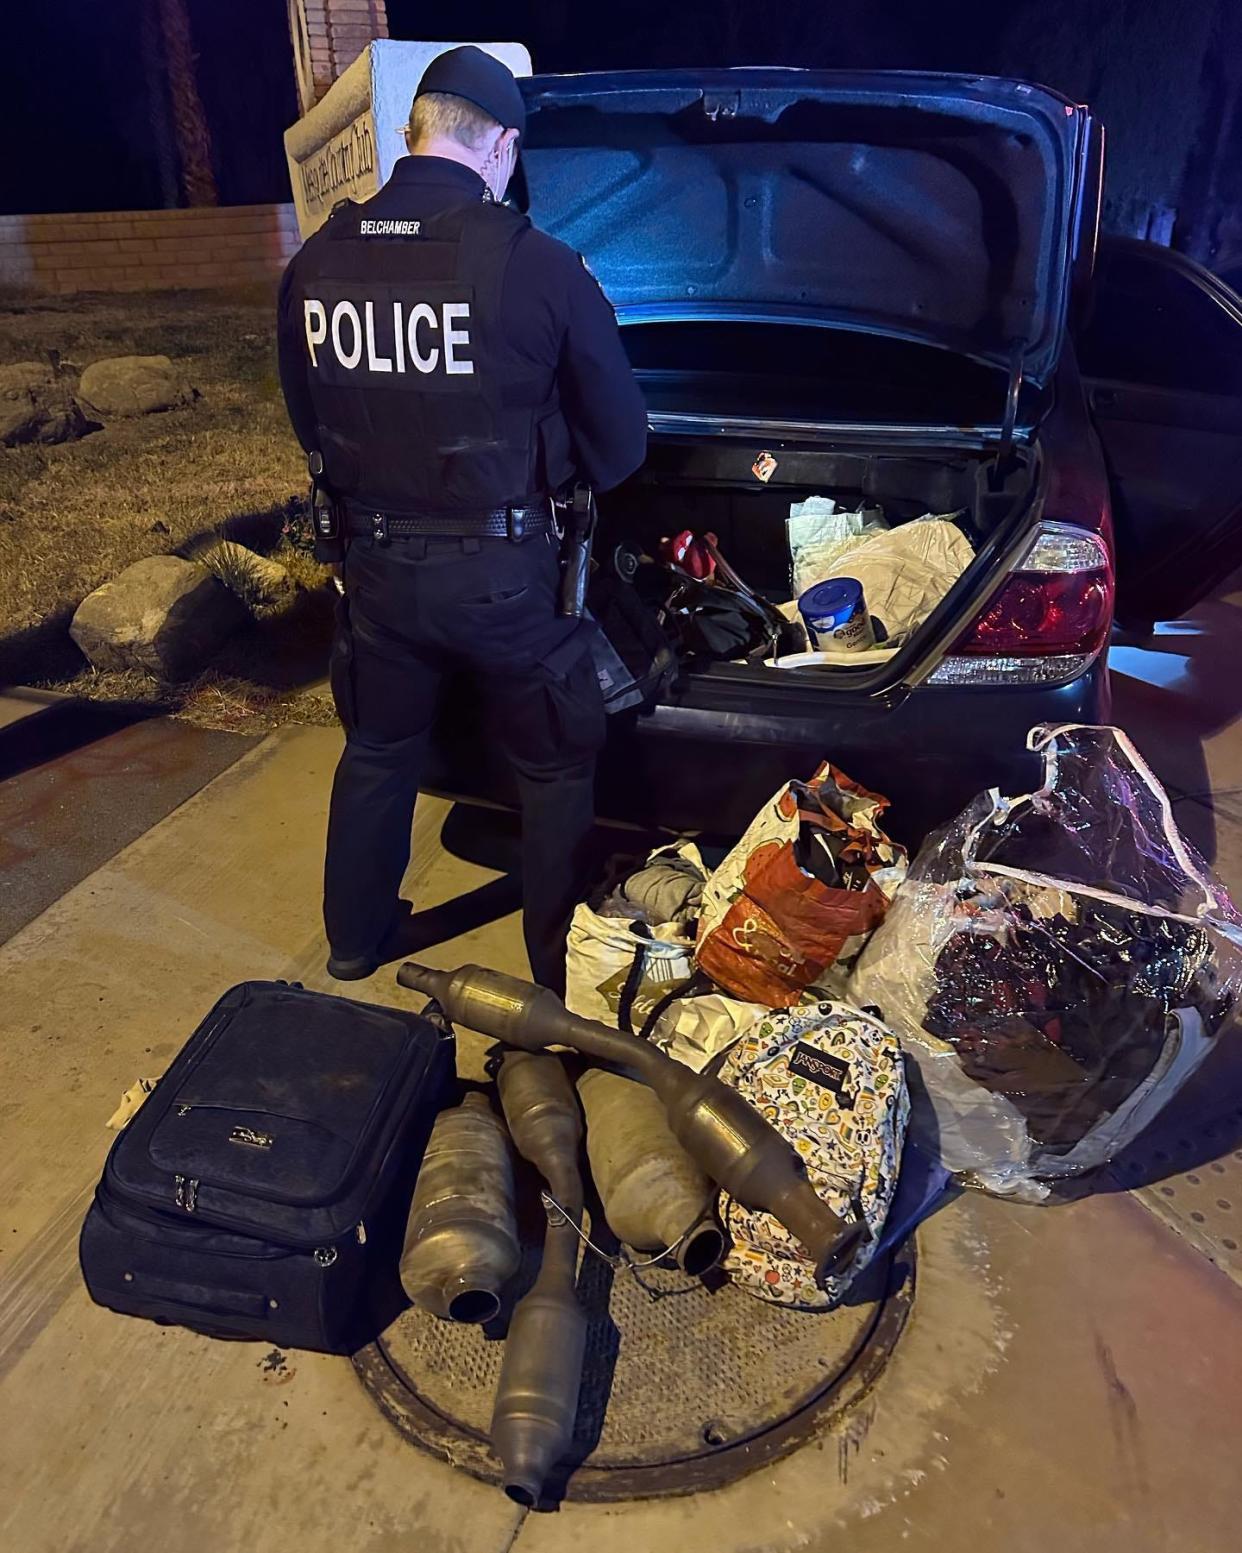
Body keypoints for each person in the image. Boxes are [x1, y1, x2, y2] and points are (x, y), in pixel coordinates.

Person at [276, 45, 647, 994]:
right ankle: (552, 967)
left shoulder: (316, 262)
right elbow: (621, 445)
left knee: (380, 748)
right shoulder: (538, 265)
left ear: (415, 134)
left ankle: (354, 940)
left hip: (379, 574)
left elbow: (308, 418)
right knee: (556, 767)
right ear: (504, 146)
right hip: (507, 581)